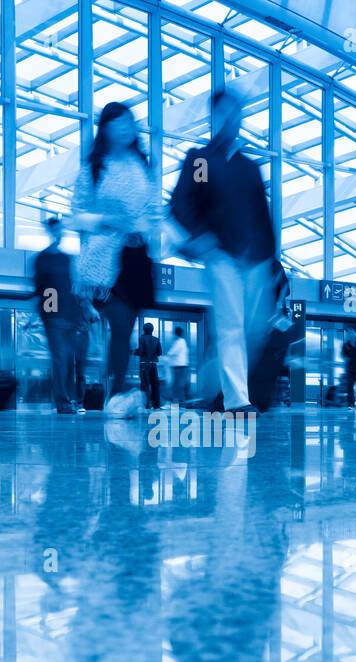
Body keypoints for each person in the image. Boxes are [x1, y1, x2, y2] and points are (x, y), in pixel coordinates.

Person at [168, 89, 278, 417]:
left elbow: (262, 215)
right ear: (215, 117)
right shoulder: (200, 160)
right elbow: (180, 204)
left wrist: (270, 258)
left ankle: (211, 386)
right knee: (231, 325)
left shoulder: (249, 168)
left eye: (237, 113)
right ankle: (236, 400)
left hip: (255, 259)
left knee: (255, 329)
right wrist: (201, 240)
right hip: (222, 256)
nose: (232, 120)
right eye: (226, 113)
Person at [72, 101, 156, 418]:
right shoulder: (93, 167)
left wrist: (151, 234)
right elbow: (76, 215)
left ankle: (117, 392)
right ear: (105, 128)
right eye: (119, 122)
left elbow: (152, 211)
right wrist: (105, 220)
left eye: (130, 121)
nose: (127, 127)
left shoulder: (142, 165)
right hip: (103, 259)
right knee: (119, 322)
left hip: (136, 256)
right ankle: (116, 393)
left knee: (126, 327)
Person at [32, 215, 85, 413]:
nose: (59, 234)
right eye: (55, 230)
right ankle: (62, 402)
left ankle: (68, 400)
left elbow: (75, 289)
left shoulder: (67, 259)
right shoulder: (42, 259)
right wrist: (47, 314)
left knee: (70, 359)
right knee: (61, 357)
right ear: (49, 231)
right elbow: (41, 290)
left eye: (61, 230)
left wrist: (78, 316)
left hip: (69, 317)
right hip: (53, 317)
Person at [135, 321, 162, 410]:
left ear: (144, 330)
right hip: (153, 364)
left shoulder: (142, 338)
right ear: (152, 330)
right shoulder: (156, 339)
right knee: (155, 385)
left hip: (144, 364)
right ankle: (156, 404)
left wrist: (135, 352)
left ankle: (146, 405)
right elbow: (159, 352)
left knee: (145, 385)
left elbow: (141, 351)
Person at [165, 326, 190, 403]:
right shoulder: (182, 342)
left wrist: (166, 357)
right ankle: (180, 398)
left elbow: (171, 353)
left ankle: (178, 399)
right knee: (179, 383)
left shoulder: (179, 342)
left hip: (179, 366)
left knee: (177, 383)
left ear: (175, 334)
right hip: (182, 365)